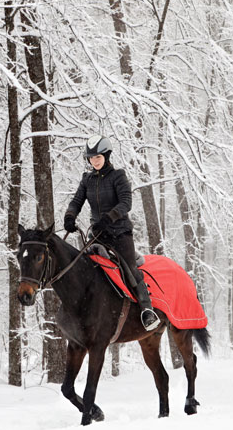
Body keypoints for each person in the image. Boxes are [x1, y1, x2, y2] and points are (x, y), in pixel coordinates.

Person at [63, 135, 161, 331]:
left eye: (98, 157)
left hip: (119, 233)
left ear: (106, 156)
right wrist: (70, 216)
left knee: (130, 269)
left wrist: (109, 218)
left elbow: (126, 202)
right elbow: (77, 201)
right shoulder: (87, 180)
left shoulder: (118, 176)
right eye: (91, 158)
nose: (95, 161)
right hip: (97, 235)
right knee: (82, 268)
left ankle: (147, 310)